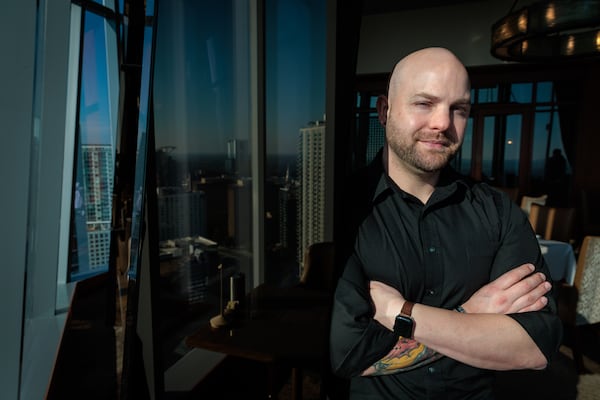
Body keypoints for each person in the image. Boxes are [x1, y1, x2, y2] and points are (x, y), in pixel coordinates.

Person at [329, 47, 562, 399]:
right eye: (424, 103)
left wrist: (399, 311)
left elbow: (535, 346)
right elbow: (345, 354)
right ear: (383, 110)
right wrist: (472, 314)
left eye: (459, 109)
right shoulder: (344, 209)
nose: (442, 123)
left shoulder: (496, 210)